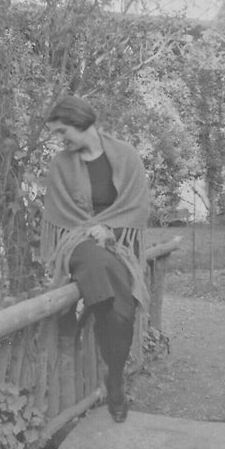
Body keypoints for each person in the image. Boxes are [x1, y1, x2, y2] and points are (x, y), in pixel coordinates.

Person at [41, 95, 150, 422]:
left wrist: (110, 231)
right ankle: (114, 380)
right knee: (97, 263)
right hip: (75, 242)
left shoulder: (126, 156)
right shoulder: (61, 164)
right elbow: (60, 213)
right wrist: (92, 231)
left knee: (120, 308)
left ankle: (112, 375)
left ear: (80, 123)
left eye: (63, 132)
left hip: (117, 244)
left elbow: (137, 207)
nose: (61, 140)